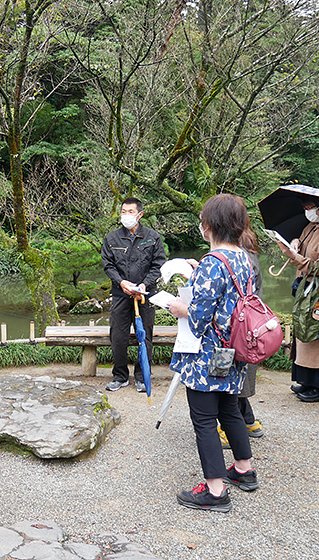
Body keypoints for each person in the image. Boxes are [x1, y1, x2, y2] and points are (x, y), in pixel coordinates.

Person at [167, 194, 258, 513]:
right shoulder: (244, 258)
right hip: (232, 350)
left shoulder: (212, 262)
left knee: (204, 419)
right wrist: (198, 273)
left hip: (208, 354)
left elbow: (199, 316)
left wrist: (180, 307)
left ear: (208, 226)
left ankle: (215, 491)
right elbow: (228, 299)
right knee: (230, 409)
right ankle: (244, 470)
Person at [276, 196, 319, 403]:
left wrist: (293, 256)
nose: (306, 211)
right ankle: (306, 381)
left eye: (309, 208)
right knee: (303, 332)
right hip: (305, 289)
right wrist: (295, 243)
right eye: (304, 208)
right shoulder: (310, 226)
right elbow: (302, 248)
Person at [100, 197, 166, 392]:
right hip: (121, 294)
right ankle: (120, 376)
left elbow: (158, 265)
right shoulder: (112, 238)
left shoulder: (152, 237)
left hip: (145, 295)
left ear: (140, 214)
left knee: (144, 335)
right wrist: (121, 282)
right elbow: (108, 265)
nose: (126, 215)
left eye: (130, 212)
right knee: (118, 336)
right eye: (123, 211)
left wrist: (144, 285)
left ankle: (141, 375)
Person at [219, 220, 265, 448]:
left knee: (231, 378)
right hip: (251, 325)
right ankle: (249, 421)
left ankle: (229, 430)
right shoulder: (248, 251)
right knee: (241, 374)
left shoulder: (236, 257)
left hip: (238, 328)